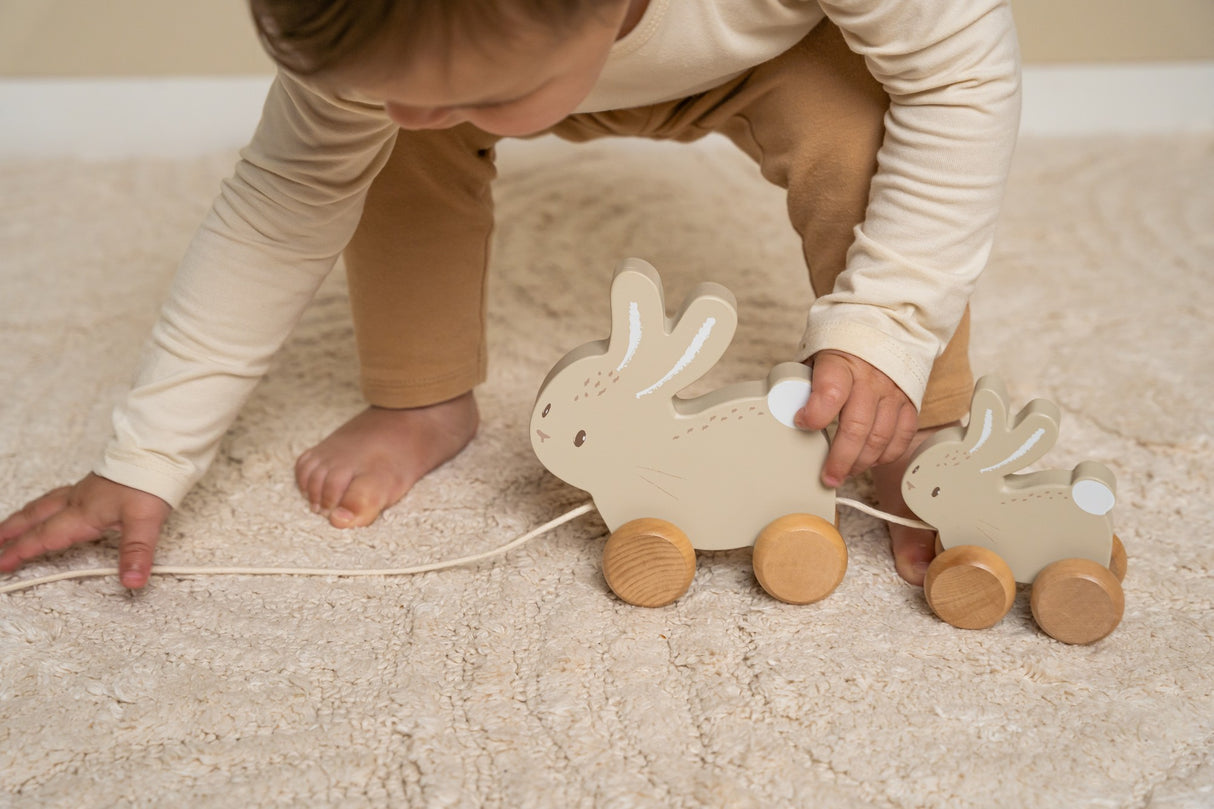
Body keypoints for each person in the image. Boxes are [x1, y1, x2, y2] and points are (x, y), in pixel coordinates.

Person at [0, 0, 1021, 590]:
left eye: (465, 89)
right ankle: (420, 393)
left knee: (864, 135)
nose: (405, 105)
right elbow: (279, 211)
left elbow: (960, 84)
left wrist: (886, 326)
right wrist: (146, 457)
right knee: (394, 148)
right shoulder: (404, 50)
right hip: (503, 45)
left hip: (773, 52)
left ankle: (907, 428)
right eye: (375, 83)